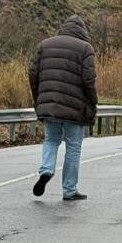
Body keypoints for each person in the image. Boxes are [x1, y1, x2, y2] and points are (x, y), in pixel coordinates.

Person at [28, 15, 98, 201]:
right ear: (83, 32)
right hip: (74, 109)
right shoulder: (85, 49)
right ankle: (69, 190)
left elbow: (33, 73)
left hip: (49, 103)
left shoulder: (44, 45)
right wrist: (92, 101)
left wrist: (39, 98)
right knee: (73, 147)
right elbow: (89, 80)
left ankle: (46, 170)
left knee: (51, 140)